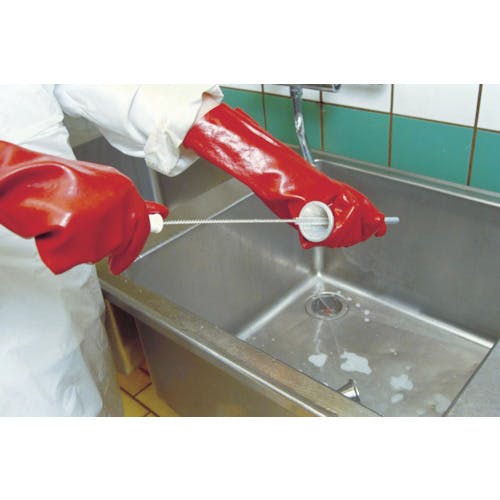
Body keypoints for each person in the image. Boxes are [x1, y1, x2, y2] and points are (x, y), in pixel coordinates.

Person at [0, 85, 386, 417]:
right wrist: (21, 187)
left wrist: (279, 170)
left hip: (61, 289)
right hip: (12, 342)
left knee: (87, 400)